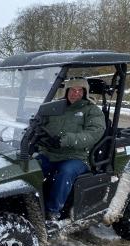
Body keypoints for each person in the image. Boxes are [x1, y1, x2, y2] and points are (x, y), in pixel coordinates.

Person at [37, 78, 106, 221]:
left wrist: (65, 139)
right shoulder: (55, 108)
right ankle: (32, 203)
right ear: (66, 91)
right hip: (50, 153)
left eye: (80, 90)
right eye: (72, 90)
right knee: (32, 168)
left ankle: (53, 211)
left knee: (66, 172)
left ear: (85, 92)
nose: (76, 93)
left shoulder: (92, 110)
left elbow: (93, 134)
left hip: (76, 156)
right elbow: (41, 125)